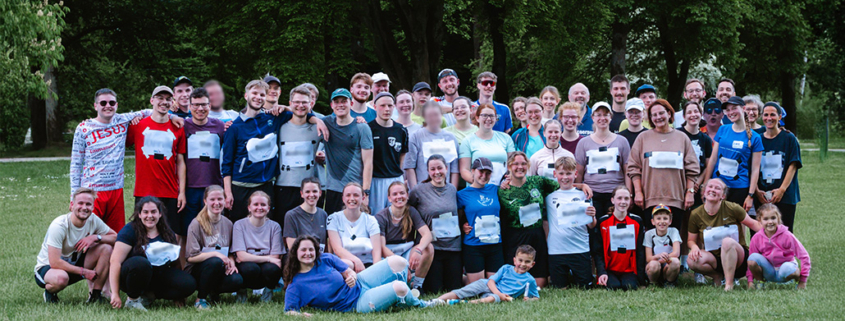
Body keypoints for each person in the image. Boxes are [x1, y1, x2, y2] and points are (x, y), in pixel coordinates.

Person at [70, 88, 178, 231]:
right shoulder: (83, 128)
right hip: (92, 190)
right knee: (87, 232)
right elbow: (76, 163)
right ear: (95, 106)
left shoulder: (122, 120)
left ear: (117, 105)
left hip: (116, 190)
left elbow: (152, 111)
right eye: (103, 103)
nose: (108, 106)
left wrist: (172, 116)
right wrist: (74, 195)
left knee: (115, 235)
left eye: (111, 102)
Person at [283, 236, 433, 315]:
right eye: (303, 250)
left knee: (399, 262)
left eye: (311, 249)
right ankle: (421, 304)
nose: (308, 253)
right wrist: (301, 316)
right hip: (355, 303)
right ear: (295, 253)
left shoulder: (325, 259)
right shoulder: (296, 284)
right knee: (399, 288)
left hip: (361, 282)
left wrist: (352, 275)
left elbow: (349, 271)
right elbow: (289, 311)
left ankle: (400, 300)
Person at [126, 86, 187, 250]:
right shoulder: (137, 125)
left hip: (169, 191)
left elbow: (180, 161)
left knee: (170, 236)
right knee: (141, 235)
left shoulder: (178, 127)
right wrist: (134, 118)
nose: (164, 102)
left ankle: (169, 271)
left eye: (168, 99)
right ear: (152, 100)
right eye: (160, 97)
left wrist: (181, 192)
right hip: (144, 190)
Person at [108, 197, 196, 310]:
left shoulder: (167, 232)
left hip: (157, 276)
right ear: (139, 214)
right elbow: (115, 261)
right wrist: (115, 293)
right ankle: (132, 299)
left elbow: (175, 262)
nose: (150, 216)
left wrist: (179, 294)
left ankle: (150, 296)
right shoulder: (129, 230)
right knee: (141, 263)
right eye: (145, 212)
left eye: (154, 212)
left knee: (189, 283)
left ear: (160, 214)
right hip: (132, 275)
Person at [627, 99, 699, 230]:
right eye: (654, 115)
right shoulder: (643, 138)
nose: (658, 117)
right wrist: (637, 192)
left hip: (677, 199)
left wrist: (690, 192)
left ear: (669, 114)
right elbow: (633, 168)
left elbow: (692, 169)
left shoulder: (682, 138)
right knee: (652, 241)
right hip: (650, 199)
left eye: (661, 113)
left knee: (674, 240)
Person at [36, 188, 116, 304]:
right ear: (72, 205)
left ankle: (95, 295)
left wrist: (96, 237)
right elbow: (55, 262)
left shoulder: (93, 220)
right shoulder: (59, 225)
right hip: (49, 268)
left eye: (88, 204)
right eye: (80, 203)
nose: (84, 207)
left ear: (93, 207)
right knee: (61, 278)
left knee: (106, 248)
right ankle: (50, 292)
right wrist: (84, 272)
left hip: (73, 264)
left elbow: (115, 237)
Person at [687, 179, 762, 291]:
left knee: (727, 242)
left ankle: (729, 284)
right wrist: (694, 247)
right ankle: (717, 276)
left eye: (717, 188)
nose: (713, 190)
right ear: (704, 191)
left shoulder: (733, 208)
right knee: (691, 260)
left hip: (739, 260)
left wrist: (776, 235)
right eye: (710, 187)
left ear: (723, 195)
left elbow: (755, 225)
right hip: (715, 260)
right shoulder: (696, 214)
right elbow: (690, 240)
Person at [497, 152, 556, 288]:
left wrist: (582, 186)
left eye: (523, 163)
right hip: (514, 236)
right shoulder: (502, 191)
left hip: (536, 234)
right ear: (509, 166)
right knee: (515, 281)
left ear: (528, 165)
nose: (520, 167)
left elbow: (562, 186)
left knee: (540, 284)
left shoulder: (537, 181)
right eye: (516, 164)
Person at [408, 155, 462, 293]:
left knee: (453, 289)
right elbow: (409, 212)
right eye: (432, 169)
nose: (437, 172)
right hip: (433, 249)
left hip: (453, 248)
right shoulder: (418, 190)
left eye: (440, 168)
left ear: (446, 169)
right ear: (428, 171)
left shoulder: (452, 190)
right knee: (434, 290)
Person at [184, 185, 243, 309]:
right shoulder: (196, 224)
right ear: (205, 201)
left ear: (225, 200)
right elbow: (190, 257)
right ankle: (200, 299)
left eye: (220, 199)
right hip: (198, 269)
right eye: (212, 199)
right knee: (215, 262)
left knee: (237, 280)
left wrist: (231, 261)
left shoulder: (228, 223)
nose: (216, 203)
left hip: (220, 268)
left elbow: (231, 251)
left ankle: (213, 292)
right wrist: (216, 254)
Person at [183, 88, 226, 258]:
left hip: (214, 187)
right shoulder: (183, 125)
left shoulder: (220, 126)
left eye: (204, 105)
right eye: (196, 105)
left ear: (210, 105)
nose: (200, 109)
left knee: (213, 231)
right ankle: (187, 266)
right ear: (190, 106)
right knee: (188, 230)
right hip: (190, 187)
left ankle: (213, 265)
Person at [702, 96, 763, 211]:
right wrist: (705, 185)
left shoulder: (755, 137)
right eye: (728, 110)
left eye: (734, 108)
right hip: (718, 186)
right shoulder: (723, 129)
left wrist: (750, 195)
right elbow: (713, 159)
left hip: (739, 188)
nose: (731, 112)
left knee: (736, 224)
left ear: (743, 108)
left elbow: (755, 169)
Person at [544, 156, 596, 289]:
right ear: (555, 174)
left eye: (569, 173)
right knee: (559, 288)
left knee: (585, 288)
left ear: (576, 174)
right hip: (556, 250)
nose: (565, 177)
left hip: (579, 248)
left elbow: (591, 225)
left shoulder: (584, 195)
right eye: (561, 173)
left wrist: (593, 216)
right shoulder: (549, 197)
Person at [274, 85, 323, 223]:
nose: (300, 105)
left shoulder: (318, 127)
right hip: (283, 186)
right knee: (284, 229)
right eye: (296, 102)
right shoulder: (280, 127)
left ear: (311, 104)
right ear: (290, 104)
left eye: (304, 102)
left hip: (309, 188)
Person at [374, 182, 434, 292]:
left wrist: (418, 250)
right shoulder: (381, 217)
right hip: (388, 255)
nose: (399, 197)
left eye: (402, 193)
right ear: (389, 198)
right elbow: (382, 248)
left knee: (428, 248)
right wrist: (402, 266)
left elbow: (428, 235)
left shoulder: (411, 211)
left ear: (407, 195)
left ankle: (417, 287)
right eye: (395, 194)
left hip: (406, 251)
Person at [574, 102, 630, 218]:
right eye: (598, 115)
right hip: (592, 193)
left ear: (611, 117)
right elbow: (579, 171)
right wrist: (578, 194)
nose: (602, 118)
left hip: (616, 193)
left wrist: (628, 194)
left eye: (606, 115)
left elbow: (627, 170)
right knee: (595, 229)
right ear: (592, 117)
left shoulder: (622, 141)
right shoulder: (583, 143)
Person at [434, 245, 539, 304]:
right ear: (514, 260)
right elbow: (491, 281)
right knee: (464, 291)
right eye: (520, 260)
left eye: (527, 262)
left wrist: (529, 300)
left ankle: (463, 303)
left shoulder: (530, 280)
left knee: (491, 299)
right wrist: (499, 293)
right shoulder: (506, 268)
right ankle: (435, 301)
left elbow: (536, 297)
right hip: (488, 285)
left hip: (496, 296)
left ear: (532, 264)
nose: (523, 264)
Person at [755, 102, 802, 232]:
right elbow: (752, 167)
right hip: (762, 195)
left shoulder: (789, 138)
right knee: (762, 234)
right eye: (766, 115)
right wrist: (757, 191)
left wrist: (782, 190)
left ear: (780, 117)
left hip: (785, 195)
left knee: (784, 233)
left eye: (773, 114)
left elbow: (793, 165)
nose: (769, 118)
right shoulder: (757, 139)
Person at [231, 191, 283, 302]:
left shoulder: (275, 227)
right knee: (251, 268)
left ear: (268, 208)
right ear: (249, 207)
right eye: (256, 204)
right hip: (247, 267)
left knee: (273, 269)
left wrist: (266, 258)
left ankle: (268, 292)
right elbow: (241, 256)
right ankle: (242, 292)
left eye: (263, 205)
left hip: (265, 267)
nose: (259, 208)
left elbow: (275, 257)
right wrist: (267, 258)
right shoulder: (239, 225)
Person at [458, 157, 503, 284]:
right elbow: (457, 216)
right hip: (474, 245)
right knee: (477, 287)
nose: (484, 176)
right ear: (472, 170)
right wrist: (462, 225)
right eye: (481, 172)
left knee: (494, 285)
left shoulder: (495, 190)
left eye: (487, 173)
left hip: (495, 244)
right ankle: (459, 279)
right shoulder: (462, 194)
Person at [746, 204, 811, 290]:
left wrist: (803, 280)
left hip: (784, 269)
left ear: (778, 219)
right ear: (759, 221)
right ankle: (761, 282)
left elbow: (804, 256)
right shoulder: (757, 238)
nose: (770, 222)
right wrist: (750, 281)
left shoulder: (787, 235)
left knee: (788, 269)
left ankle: (794, 279)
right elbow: (750, 263)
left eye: (773, 218)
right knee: (752, 258)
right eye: (766, 219)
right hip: (769, 271)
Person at [594, 186, 646, 291]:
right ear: (612, 200)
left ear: (630, 200)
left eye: (626, 198)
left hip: (629, 270)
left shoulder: (637, 221)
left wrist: (641, 278)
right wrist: (601, 272)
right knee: (614, 286)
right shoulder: (603, 222)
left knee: (629, 287)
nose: (623, 202)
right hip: (610, 269)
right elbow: (598, 251)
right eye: (619, 198)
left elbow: (640, 251)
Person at [404, 100, 461, 189]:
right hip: (423, 191)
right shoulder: (415, 137)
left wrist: (452, 191)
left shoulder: (451, 138)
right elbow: (410, 167)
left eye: (436, 114)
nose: (433, 118)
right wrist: (415, 191)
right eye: (430, 115)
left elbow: (454, 170)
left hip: (445, 191)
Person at [327, 183, 383, 272]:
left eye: (356, 195)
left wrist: (375, 272)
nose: (352, 199)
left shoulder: (371, 220)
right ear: (343, 198)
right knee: (347, 264)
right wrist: (356, 261)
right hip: (345, 265)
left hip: (368, 264)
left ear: (363, 198)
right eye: (348, 195)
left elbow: (376, 252)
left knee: (396, 262)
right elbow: (337, 249)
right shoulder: (333, 218)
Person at [368, 93, 409, 214]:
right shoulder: (368, 129)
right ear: (375, 107)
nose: (386, 109)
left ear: (394, 107)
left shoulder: (401, 130)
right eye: (382, 106)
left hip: (395, 178)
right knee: (377, 215)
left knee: (398, 214)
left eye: (390, 105)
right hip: (376, 180)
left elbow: (402, 155)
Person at [459, 104, 516, 185]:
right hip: (478, 189)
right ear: (477, 118)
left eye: (492, 116)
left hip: (502, 188)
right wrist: (478, 183)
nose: (488, 119)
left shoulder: (506, 138)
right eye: (485, 115)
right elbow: (464, 170)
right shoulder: (467, 141)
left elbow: (512, 165)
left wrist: (508, 181)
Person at [678, 101, 713, 209]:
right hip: (680, 183)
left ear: (701, 114)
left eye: (696, 111)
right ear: (684, 116)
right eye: (689, 112)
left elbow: (708, 165)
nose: (693, 115)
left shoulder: (706, 139)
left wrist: (698, 182)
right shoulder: (677, 134)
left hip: (698, 186)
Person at [284, 178, 329, 251]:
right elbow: (292, 247)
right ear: (302, 194)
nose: (311, 195)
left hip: (320, 258)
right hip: (300, 258)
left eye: (315, 191)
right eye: (307, 192)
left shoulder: (323, 214)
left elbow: (326, 244)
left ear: (320, 193)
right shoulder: (291, 215)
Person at [643, 205, 682, 288]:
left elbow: (676, 253)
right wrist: (658, 257)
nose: (662, 221)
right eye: (658, 218)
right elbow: (648, 258)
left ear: (670, 221)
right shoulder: (649, 234)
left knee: (675, 261)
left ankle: (669, 282)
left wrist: (664, 258)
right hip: (655, 265)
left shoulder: (674, 231)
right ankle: (653, 283)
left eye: (665, 218)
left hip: (667, 265)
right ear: (653, 221)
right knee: (653, 264)